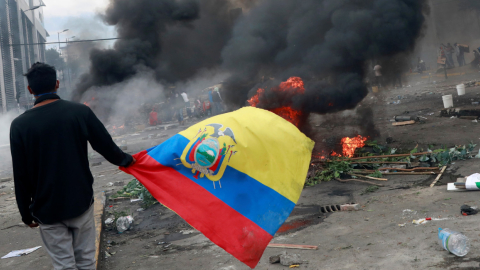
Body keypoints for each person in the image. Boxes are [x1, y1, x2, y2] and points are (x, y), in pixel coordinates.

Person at [10, 63, 135, 270]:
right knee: (86, 261)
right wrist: (128, 160)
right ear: (57, 84)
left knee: (64, 265)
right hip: (80, 201)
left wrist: (26, 213)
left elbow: (20, 174)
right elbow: (106, 146)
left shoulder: (20, 125)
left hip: (46, 207)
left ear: (30, 90)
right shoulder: (79, 112)